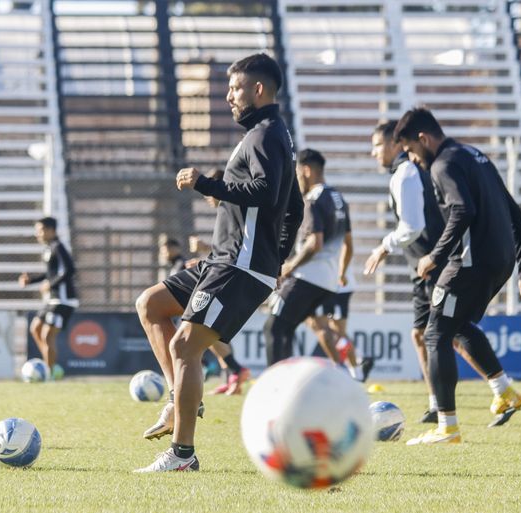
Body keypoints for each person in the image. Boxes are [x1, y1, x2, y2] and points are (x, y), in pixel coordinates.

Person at [134, 53, 303, 472]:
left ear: (258, 90)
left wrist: (205, 183)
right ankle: (178, 400)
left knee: (184, 346)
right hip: (227, 260)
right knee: (151, 305)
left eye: (235, 88)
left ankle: (182, 455)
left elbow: (264, 192)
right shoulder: (270, 134)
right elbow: (294, 207)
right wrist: (278, 258)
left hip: (239, 265)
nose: (229, 96)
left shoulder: (265, 134)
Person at [392, 108, 521, 445]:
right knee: (456, 326)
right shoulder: (475, 155)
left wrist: (434, 257)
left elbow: (463, 210)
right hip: (499, 260)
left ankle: (447, 427)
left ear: (423, 139)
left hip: (472, 262)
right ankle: (504, 392)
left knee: (434, 335)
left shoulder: (443, 165)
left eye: (413, 153)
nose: (414, 161)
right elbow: (513, 209)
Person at [364, 120, 489, 423]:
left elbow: (412, 227)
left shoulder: (406, 173)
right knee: (426, 334)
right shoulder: (411, 171)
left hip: (430, 264)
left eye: (377, 145)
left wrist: (384, 246)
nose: (373, 153)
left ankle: (496, 387)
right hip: (426, 263)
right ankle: (440, 402)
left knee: (444, 333)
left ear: (396, 144)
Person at [262, 148, 367, 380]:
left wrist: (291, 266)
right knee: (300, 329)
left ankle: (275, 386)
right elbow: (348, 244)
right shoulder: (338, 199)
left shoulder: (313, 200)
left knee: (274, 328)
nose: (296, 179)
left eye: (297, 173)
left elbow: (314, 243)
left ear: (307, 170)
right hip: (328, 283)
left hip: (307, 278)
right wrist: (340, 272)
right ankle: (333, 378)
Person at [187, 168, 252, 396]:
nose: (207, 198)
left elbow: (235, 249)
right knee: (212, 329)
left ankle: (236, 369)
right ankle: (231, 374)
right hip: (230, 271)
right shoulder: (229, 210)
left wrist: (206, 254)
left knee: (204, 326)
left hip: (236, 276)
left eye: (208, 191)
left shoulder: (233, 207)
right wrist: (205, 257)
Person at [18, 217, 79, 380]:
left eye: (41, 230)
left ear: (51, 230)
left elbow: (69, 270)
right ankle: (50, 366)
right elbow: (51, 274)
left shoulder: (58, 247)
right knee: (35, 329)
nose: (38, 234)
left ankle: (48, 373)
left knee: (47, 335)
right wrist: (31, 280)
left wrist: (50, 284)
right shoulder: (49, 248)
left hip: (63, 300)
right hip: (52, 300)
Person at [309, 265, 374, 382]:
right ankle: (357, 362)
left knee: (336, 331)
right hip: (327, 285)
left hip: (338, 287)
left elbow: (347, 248)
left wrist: (341, 274)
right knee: (324, 328)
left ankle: (354, 371)